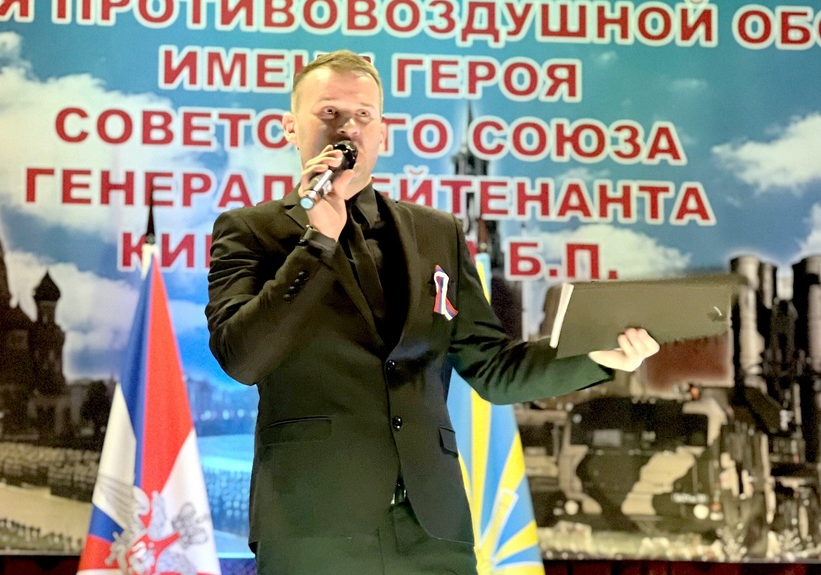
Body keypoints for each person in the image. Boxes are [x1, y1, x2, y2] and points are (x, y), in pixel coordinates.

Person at [205, 49, 660, 575]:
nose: (347, 127)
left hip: (432, 529)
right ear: (290, 127)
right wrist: (317, 243)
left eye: (363, 115)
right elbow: (242, 358)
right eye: (329, 112)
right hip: (311, 525)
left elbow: (493, 368)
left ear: (383, 133)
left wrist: (598, 356)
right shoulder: (251, 231)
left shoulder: (438, 233)